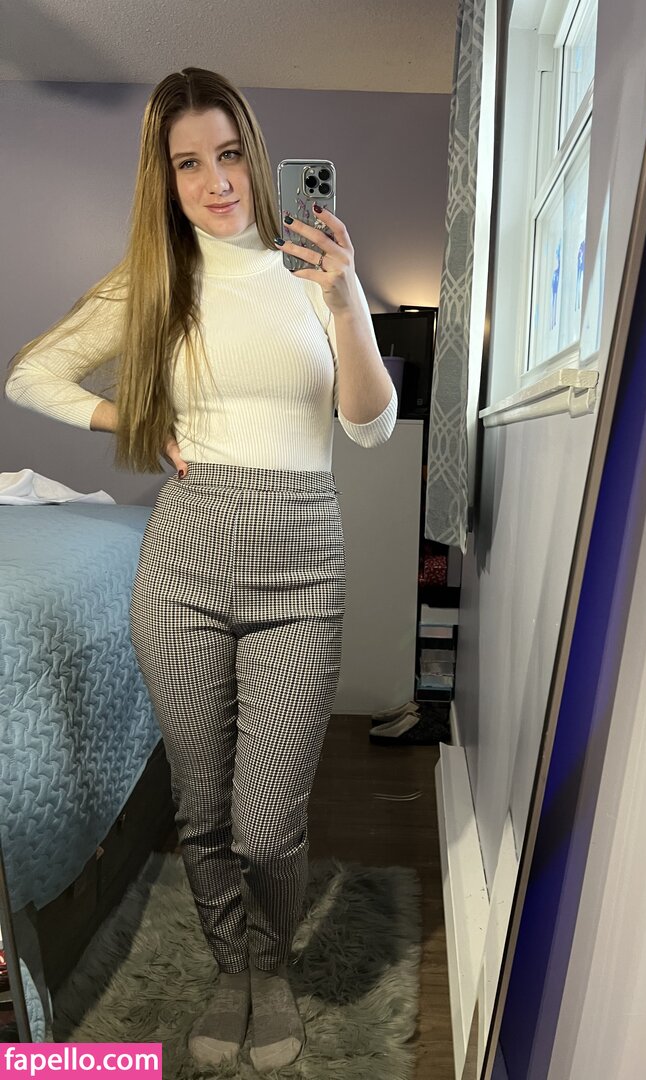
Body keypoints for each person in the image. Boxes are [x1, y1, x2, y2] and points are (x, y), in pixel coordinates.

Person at [4, 67, 397, 1071]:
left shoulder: (311, 273)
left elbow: (370, 424)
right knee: (204, 806)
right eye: (188, 164)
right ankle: (236, 970)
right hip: (184, 560)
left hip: (301, 564)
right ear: (164, 178)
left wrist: (346, 298)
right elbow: (32, 375)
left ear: (255, 157)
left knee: (269, 821)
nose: (216, 181)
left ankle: (271, 959)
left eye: (228, 155)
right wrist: (134, 419)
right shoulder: (154, 282)